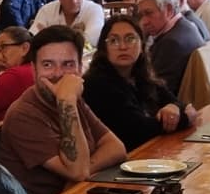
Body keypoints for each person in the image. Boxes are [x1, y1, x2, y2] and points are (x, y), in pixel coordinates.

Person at [0, 26, 127, 194]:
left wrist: (79, 176)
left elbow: (115, 147)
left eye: (68, 64)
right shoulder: (24, 114)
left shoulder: (71, 97)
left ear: (81, 68)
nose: (58, 74)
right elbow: (77, 171)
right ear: (33, 70)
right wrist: (66, 100)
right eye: (48, 65)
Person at [84, 15, 199, 150]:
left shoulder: (140, 77)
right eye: (114, 40)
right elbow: (139, 130)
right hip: (115, 162)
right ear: (104, 48)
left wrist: (173, 107)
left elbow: (176, 102)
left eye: (130, 39)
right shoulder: (97, 83)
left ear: (142, 44)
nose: (122, 46)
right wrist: (185, 117)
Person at [136, 0, 204, 93]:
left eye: (149, 13)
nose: (144, 22)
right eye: (142, 15)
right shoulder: (187, 26)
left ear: (169, 10)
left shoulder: (171, 43)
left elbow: (157, 92)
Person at [29, 0, 106, 46]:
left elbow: (91, 41)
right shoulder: (46, 10)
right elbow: (32, 39)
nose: (73, 1)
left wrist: (51, 37)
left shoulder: (94, 10)